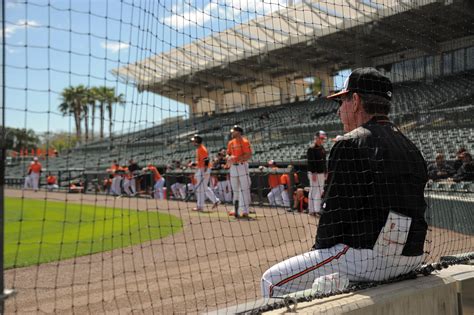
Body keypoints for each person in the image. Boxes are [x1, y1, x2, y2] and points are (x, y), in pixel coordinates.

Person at [261, 67, 428, 298]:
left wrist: (317, 256)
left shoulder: (350, 142)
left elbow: (334, 219)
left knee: (271, 281)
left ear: (356, 101)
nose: (340, 111)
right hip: (413, 255)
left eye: (342, 102)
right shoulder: (410, 147)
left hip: (369, 258)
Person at [226, 125, 253, 218]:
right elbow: (228, 153)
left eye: (234, 131)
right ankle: (235, 209)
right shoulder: (231, 142)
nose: (232, 133)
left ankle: (245, 210)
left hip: (242, 166)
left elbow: (249, 155)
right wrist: (228, 158)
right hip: (233, 168)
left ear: (239, 132)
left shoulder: (245, 141)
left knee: (244, 189)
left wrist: (236, 158)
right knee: (235, 189)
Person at [190, 135, 220, 211]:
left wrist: (205, 171)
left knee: (200, 188)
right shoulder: (199, 149)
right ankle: (216, 200)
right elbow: (201, 161)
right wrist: (195, 164)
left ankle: (200, 206)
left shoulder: (202, 149)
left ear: (197, 141)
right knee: (204, 187)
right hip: (202, 169)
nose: (193, 142)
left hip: (204, 170)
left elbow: (206, 160)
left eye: (194, 141)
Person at [307, 131, 328, 216]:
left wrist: (326, 171)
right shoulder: (311, 148)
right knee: (314, 190)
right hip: (314, 173)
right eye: (321, 138)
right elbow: (311, 162)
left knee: (319, 190)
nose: (322, 140)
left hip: (321, 173)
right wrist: (314, 172)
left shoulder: (322, 148)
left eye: (323, 138)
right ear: (316, 138)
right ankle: (313, 210)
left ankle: (315, 209)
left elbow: (324, 162)